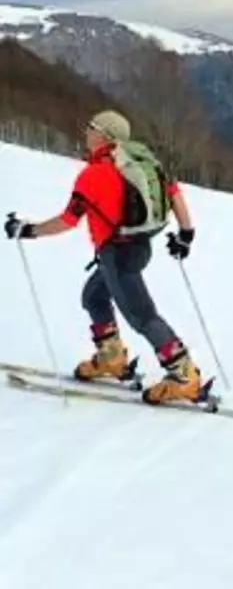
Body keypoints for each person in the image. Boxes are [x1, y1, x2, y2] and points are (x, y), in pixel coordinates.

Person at [4, 109, 204, 405]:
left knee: (142, 316)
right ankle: (111, 359)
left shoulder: (94, 175)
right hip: (137, 248)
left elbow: (67, 221)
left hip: (117, 255)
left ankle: (184, 375)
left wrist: (29, 230)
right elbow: (174, 195)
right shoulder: (145, 162)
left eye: (91, 127)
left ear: (104, 137)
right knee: (94, 297)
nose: (86, 131)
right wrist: (185, 235)